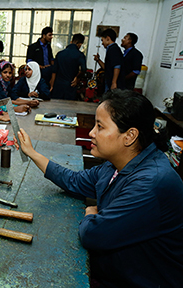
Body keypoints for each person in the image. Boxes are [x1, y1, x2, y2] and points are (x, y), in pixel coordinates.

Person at [17, 89, 183, 287]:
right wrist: (33, 154)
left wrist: (90, 213)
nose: (91, 133)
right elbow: (75, 181)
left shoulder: (150, 183)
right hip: (118, 270)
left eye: (100, 127)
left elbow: (93, 235)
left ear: (130, 136)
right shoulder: (116, 164)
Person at [50, 33, 87, 100]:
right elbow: (83, 69)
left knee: (55, 106)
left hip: (58, 85)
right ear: (80, 44)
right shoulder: (80, 55)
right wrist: (77, 77)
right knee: (69, 107)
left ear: (71, 41)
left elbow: (54, 71)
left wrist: (52, 85)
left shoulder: (59, 54)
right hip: (71, 85)